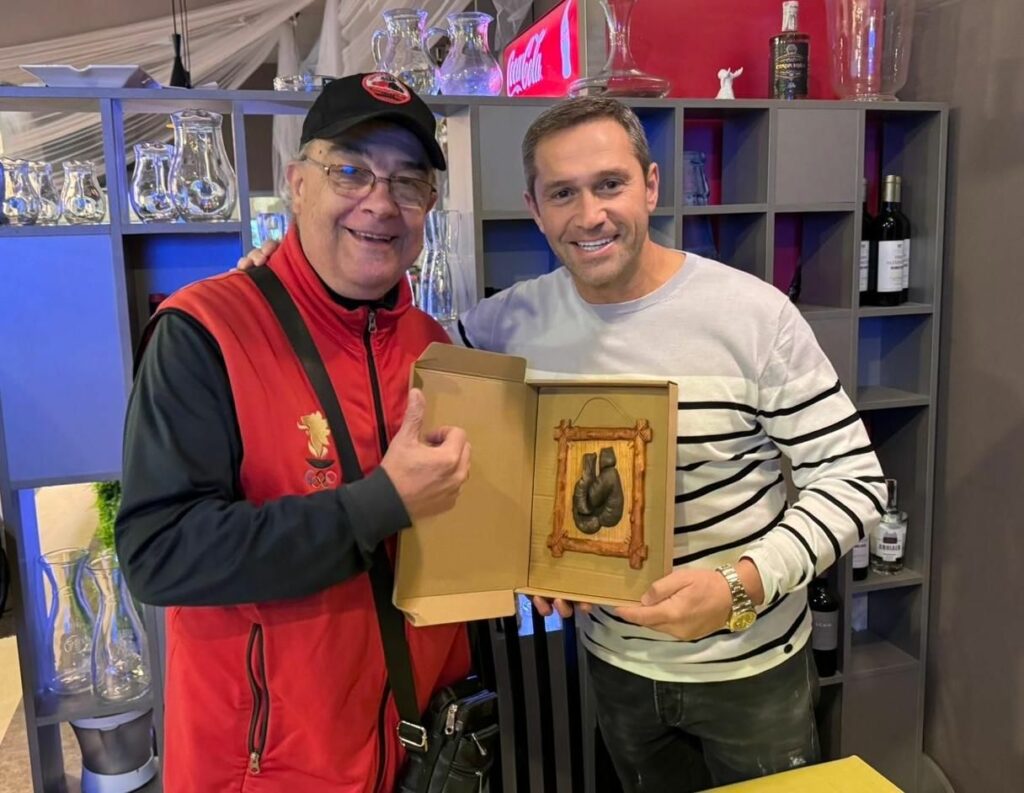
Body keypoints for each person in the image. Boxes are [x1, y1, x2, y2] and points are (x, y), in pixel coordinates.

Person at [239, 96, 886, 792]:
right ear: (535, 208)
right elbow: (401, 370)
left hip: (751, 667)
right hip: (611, 664)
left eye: (609, 184)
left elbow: (854, 482)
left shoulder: (753, 314)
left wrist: (740, 585)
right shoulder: (503, 326)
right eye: (562, 194)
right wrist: (288, 277)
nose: (590, 215)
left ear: (650, 185)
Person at [116, 73, 472, 793]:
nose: (381, 202)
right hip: (265, 768)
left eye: (409, 183)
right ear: (297, 184)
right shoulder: (205, 331)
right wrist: (381, 503)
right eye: (351, 171)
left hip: (418, 751)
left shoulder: (434, 346)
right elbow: (159, 552)